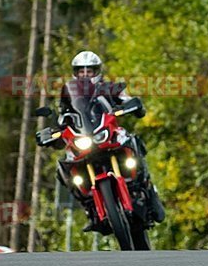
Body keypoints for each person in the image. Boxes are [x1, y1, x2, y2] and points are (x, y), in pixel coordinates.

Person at [58, 50, 166, 232]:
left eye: (89, 71)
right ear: (75, 73)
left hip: (108, 131)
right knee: (64, 166)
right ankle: (89, 207)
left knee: (130, 140)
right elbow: (63, 116)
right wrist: (55, 131)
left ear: (97, 71)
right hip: (85, 139)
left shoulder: (109, 87)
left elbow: (126, 98)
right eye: (81, 71)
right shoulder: (68, 93)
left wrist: (132, 105)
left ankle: (148, 188)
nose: (85, 74)